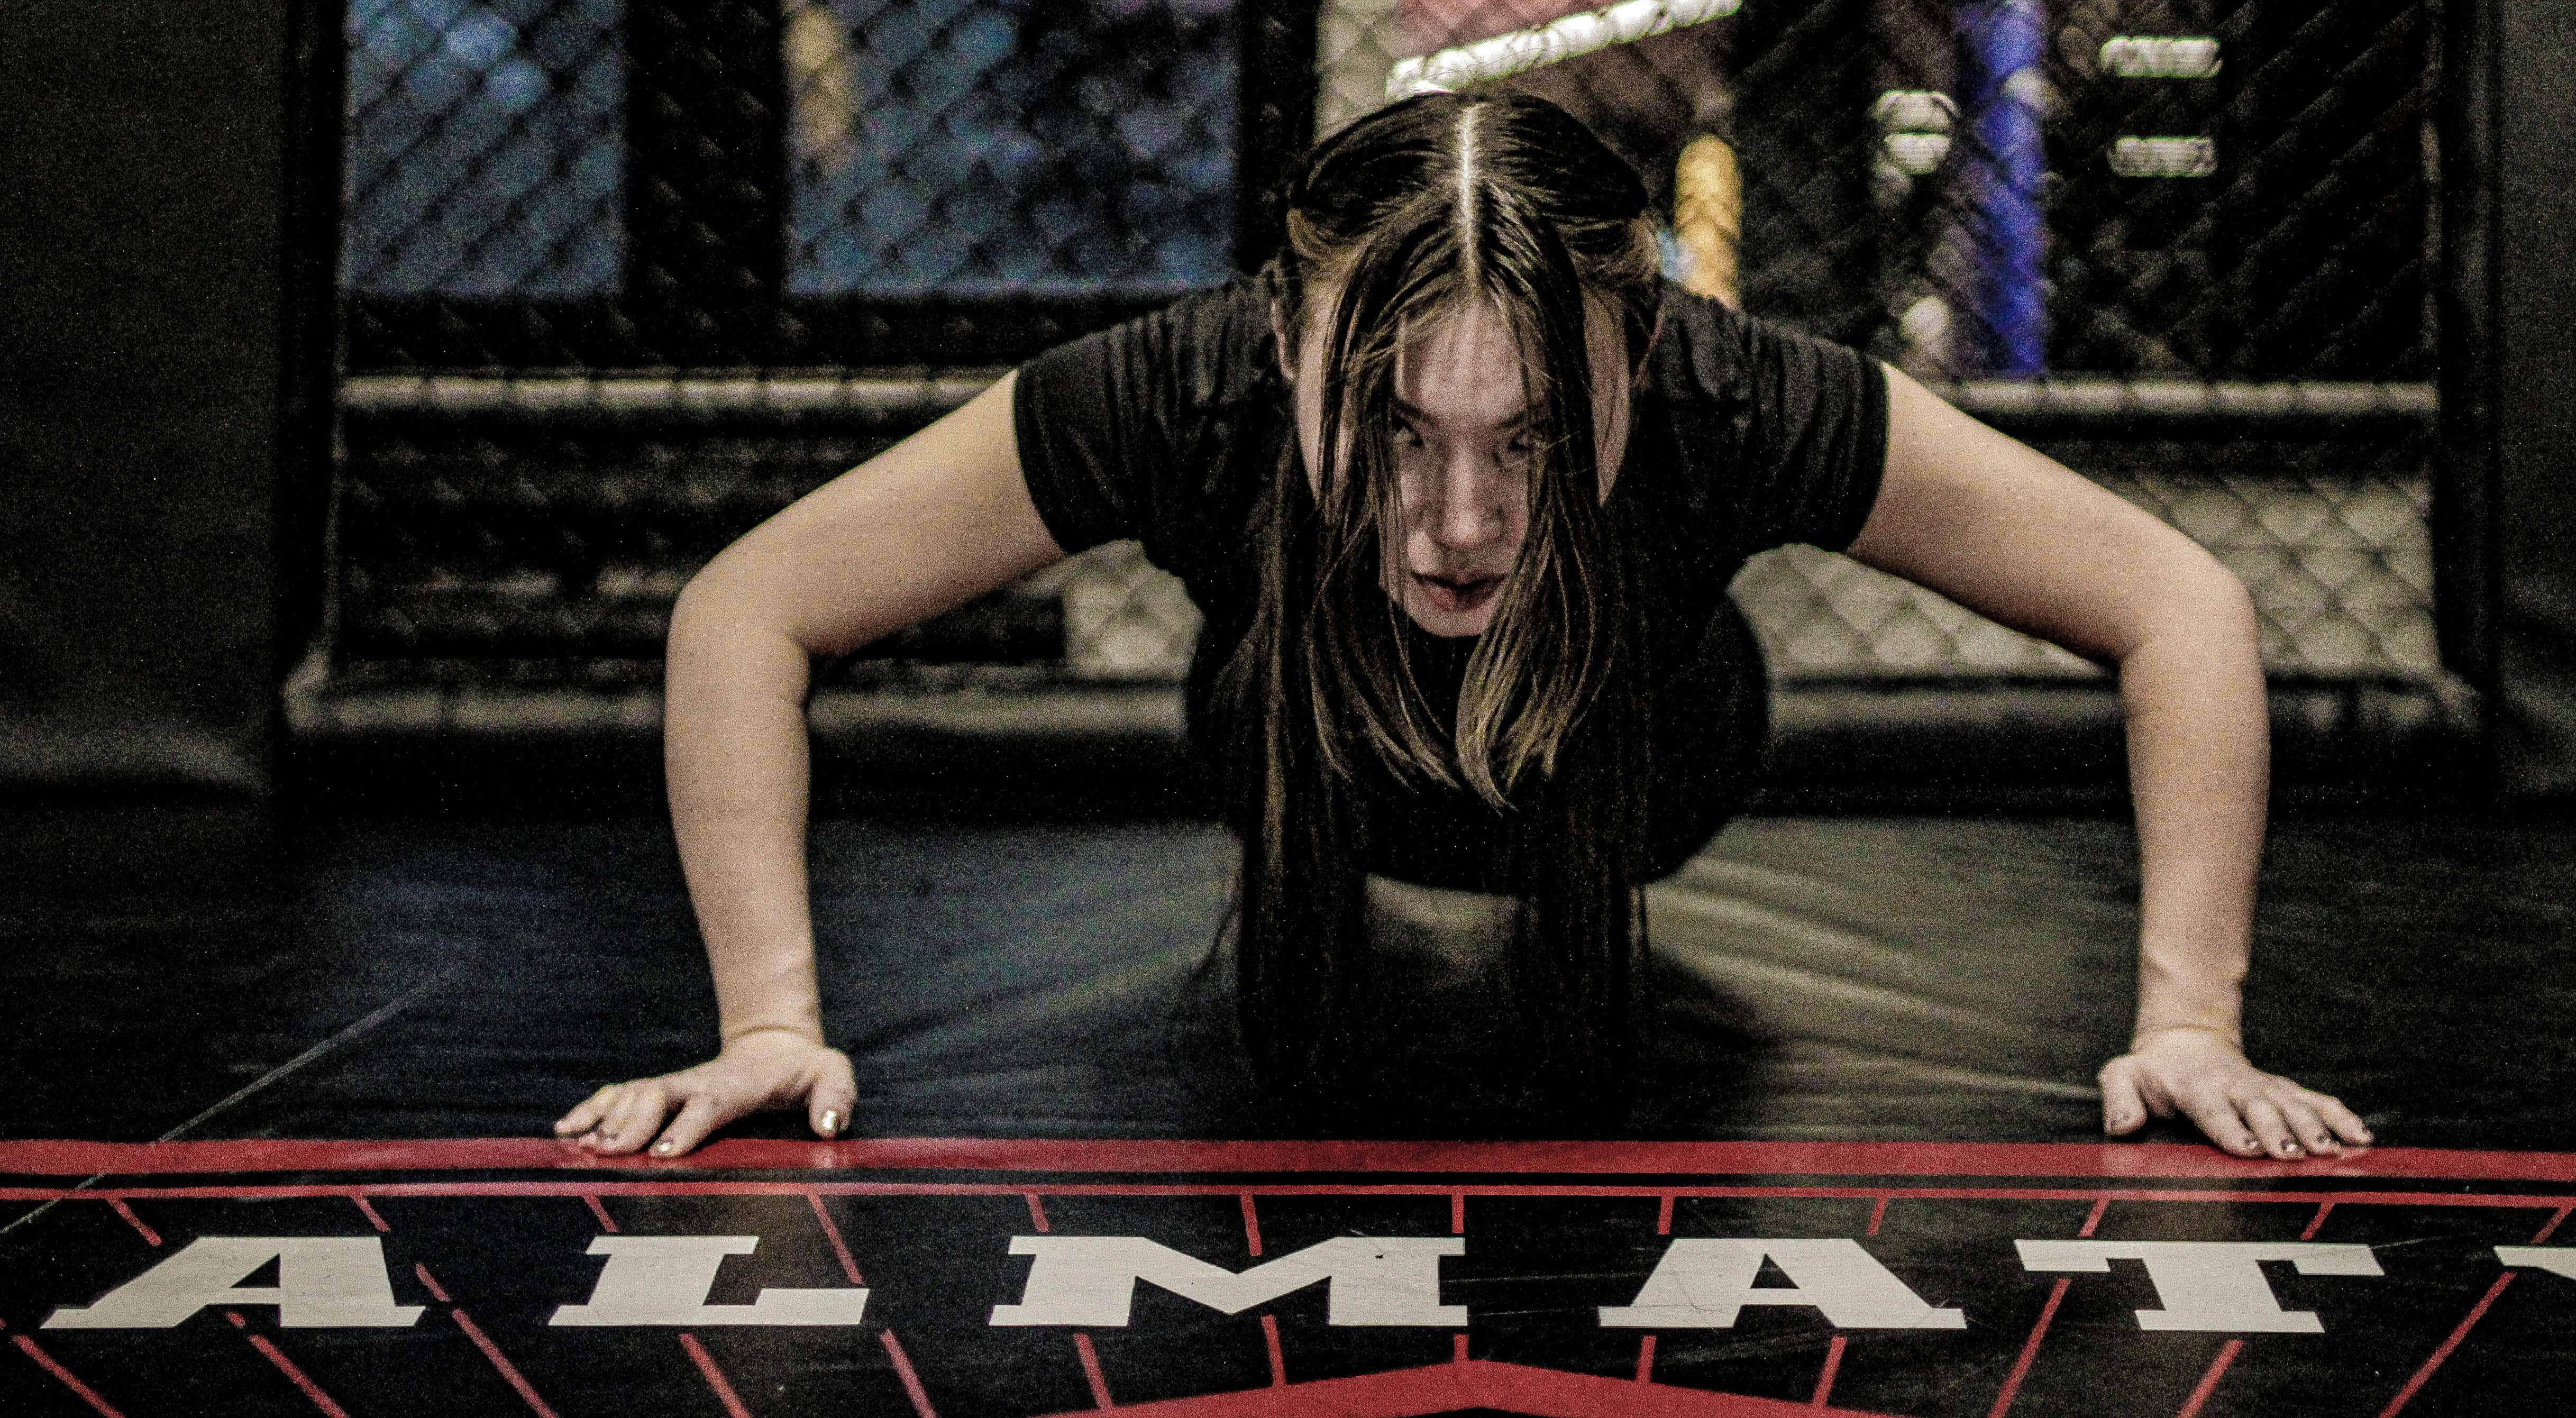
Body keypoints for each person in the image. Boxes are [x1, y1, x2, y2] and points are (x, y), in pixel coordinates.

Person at [555, 92, 2372, 1161]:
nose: (1461, 523)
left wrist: (2190, 1023)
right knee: (1291, 661)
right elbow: (748, 611)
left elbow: (2176, 606)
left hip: (1656, 761)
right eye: (1400, 433)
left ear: (1639, 363)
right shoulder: (1184, 388)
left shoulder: (1735, 392)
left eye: (1533, 441)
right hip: (1291, 748)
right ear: (1287, 351)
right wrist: (767, 1023)